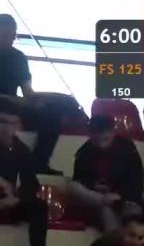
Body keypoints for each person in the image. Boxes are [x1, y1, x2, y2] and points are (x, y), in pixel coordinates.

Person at [0, 14, 82, 174]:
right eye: (4, 36)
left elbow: (28, 92)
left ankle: (39, 165)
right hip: (6, 102)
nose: (9, 40)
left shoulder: (18, 57)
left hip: (11, 104)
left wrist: (52, 97)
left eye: (12, 37)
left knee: (51, 113)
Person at [68, 114, 144, 233]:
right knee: (73, 187)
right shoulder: (85, 152)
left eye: (105, 139)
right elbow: (79, 179)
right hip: (96, 198)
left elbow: (136, 180)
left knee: (130, 214)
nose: (101, 145)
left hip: (124, 198)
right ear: (90, 136)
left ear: (113, 133)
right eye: (97, 140)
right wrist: (94, 185)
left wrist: (119, 195)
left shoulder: (127, 149)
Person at [0, 106, 49, 246]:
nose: (6, 128)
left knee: (39, 206)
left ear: (18, 126)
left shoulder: (21, 149)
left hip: (9, 201)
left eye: (12, 123)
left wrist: (16, 199)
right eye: (2, 122)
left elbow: (31, 184)